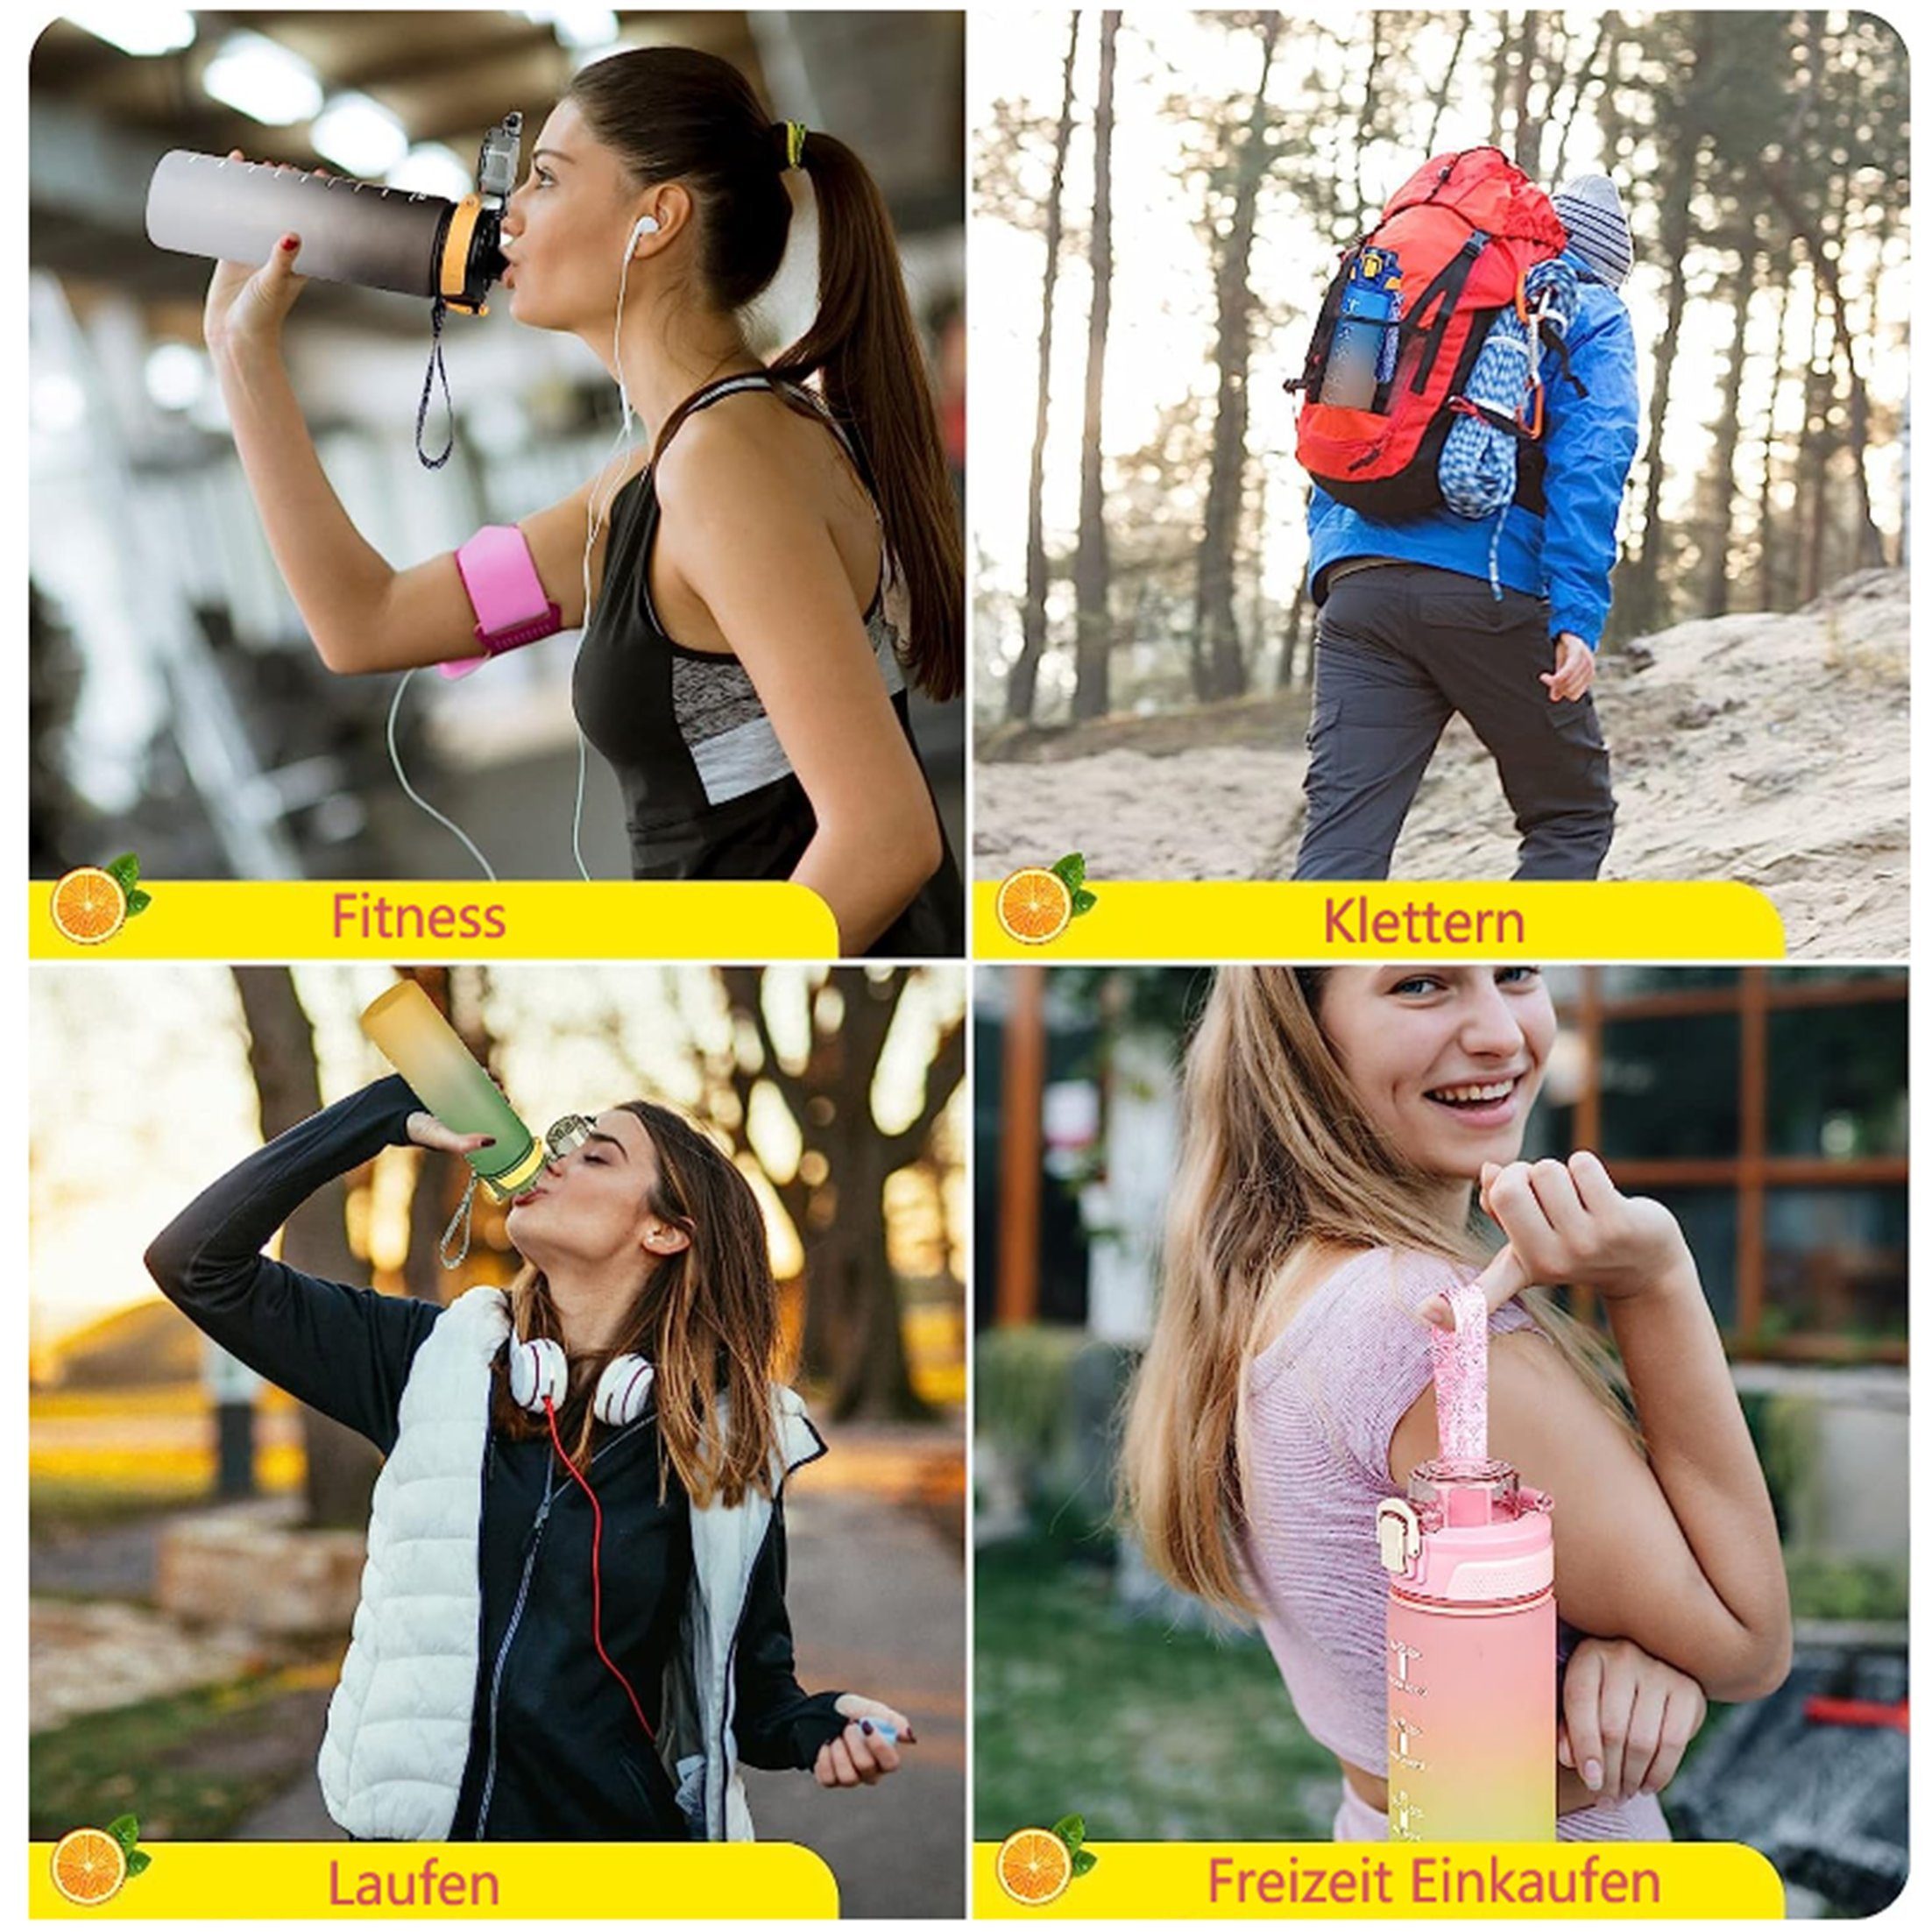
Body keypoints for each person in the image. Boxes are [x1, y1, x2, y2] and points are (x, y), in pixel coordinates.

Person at [202, 46, 962, 955]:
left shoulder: (724, 466)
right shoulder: (648, 482)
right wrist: (241, 354)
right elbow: (366, 622)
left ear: (657, 218)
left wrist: (732, 980)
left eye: (548, 180)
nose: (508, 213)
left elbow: (884, 838)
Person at [145, 1072, 912, 1841]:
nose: (551, 1159)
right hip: (420, 1876)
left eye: (597, 1157)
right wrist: (385, 1113)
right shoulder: (429, 1365)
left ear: (666, 1231)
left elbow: (752, 1697)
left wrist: (824, 1724)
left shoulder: (719, 1445)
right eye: (565, 1144)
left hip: (604, 1868)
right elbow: (194, 1261)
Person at [1121, 966, 1791, 1840]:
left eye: (1515, 974)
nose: (1501, 1036)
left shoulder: (1278, 1287)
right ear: (1303, 1032)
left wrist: (1626, 1645)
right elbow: (1748, 1641)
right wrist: (1656, 1280)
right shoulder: (1417, 1324)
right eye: (1422, 986)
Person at [1294, 175, 1642, 882]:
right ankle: (1503, 973)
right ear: (1604, 266)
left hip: (1356, 590)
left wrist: (1337, 560)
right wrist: (1576, 614)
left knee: (1340, 850)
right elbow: (1592, 461)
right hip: (1486, 584)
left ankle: (1313, 992)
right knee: (1570, 817)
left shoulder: (1410, 289)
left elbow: (1341, 430)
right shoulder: (1590, 310)